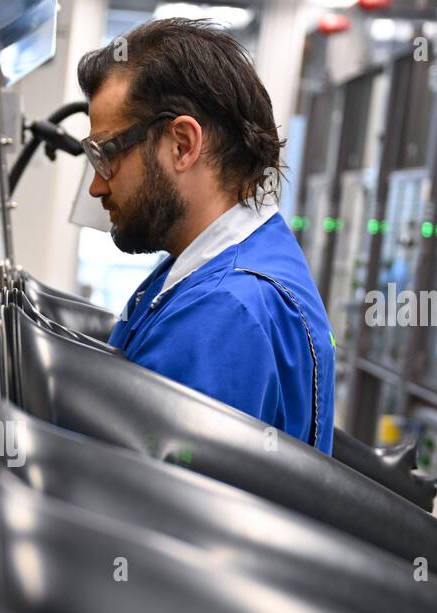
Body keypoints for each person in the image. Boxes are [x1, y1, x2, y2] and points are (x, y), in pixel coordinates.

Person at [77, 18, 336, 454]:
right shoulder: (233, 261)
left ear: (181, 144)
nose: (97, 187)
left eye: (108, 155)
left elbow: (147, 507)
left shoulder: (225, 312)